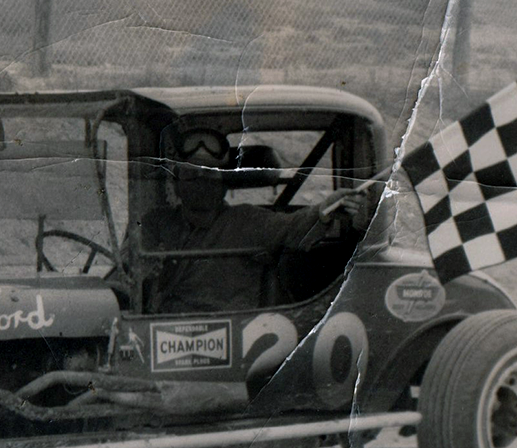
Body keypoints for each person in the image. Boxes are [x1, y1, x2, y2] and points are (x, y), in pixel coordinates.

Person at [127, 127, 374, 314]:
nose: (200, 183)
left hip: (234, 334)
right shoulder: (155, 224)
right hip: (162, 333)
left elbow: (293, 227)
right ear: (176, 182)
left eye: (211, 175)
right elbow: (127, 274)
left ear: (224, 184)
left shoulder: (247, 221)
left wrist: (325, 208)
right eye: (191, 174)